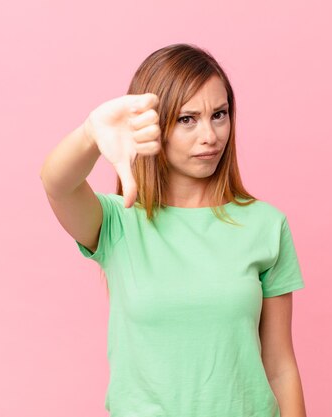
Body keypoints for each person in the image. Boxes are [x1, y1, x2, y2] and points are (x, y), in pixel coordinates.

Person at [40, 43, 307, 417]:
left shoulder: (266, 225)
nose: (210, 136)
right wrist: (90, 134)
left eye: (219, 114)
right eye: (187, 119)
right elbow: (57, 184)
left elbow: (280, 367)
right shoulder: (119, 222)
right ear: (153, 125)